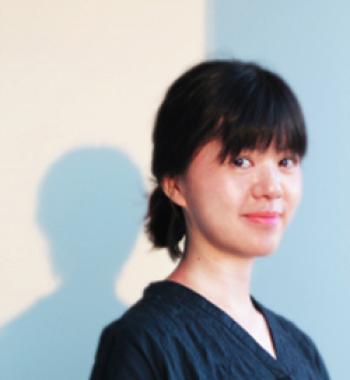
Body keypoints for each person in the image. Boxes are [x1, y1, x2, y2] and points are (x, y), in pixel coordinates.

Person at [89, 59, 330, 379]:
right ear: (176, 184)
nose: (272, 188)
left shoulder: (301, 349)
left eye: (286, 161)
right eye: (241, 161)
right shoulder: (144, 343)